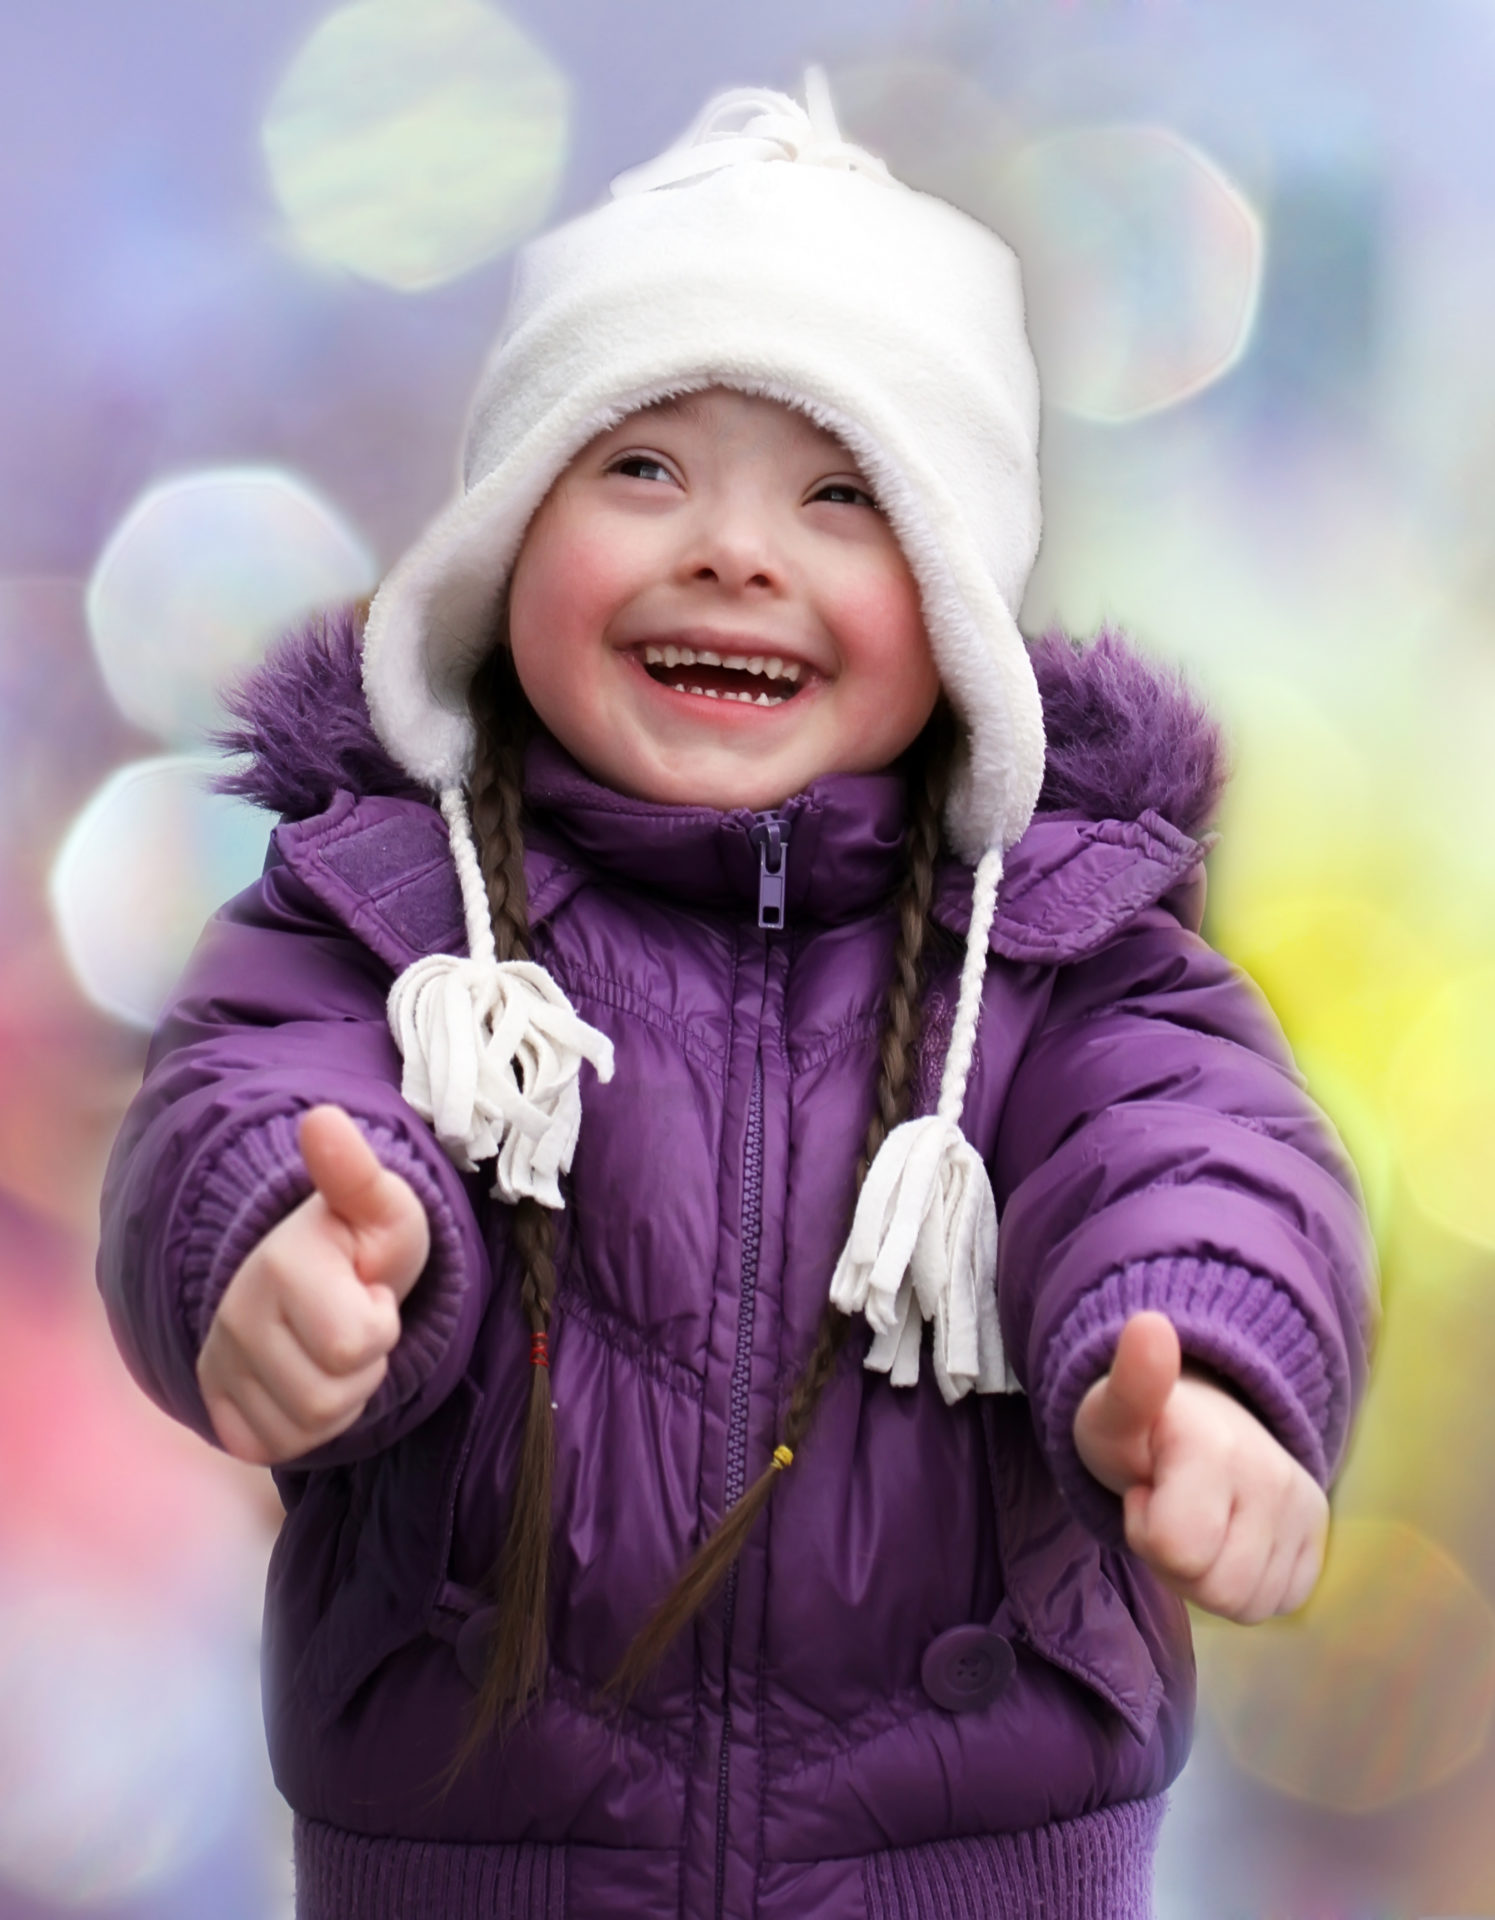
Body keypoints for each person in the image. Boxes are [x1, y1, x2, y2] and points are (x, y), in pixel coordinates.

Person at [98, 76, 1375, 1920]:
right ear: (509, 545)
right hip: (476, 1862)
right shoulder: (381, 914)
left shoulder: (1063, 944)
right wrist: (281, 1245)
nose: (734, 548)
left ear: (953, 605)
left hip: (960, 1868)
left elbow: (1202, 1150)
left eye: (842, 494)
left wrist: (1209, 1368)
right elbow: (239, 1093)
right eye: (641, 466)